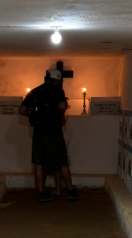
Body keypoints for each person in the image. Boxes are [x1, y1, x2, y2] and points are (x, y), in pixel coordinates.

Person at [19, 69, 79, 202]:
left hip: (38, 132)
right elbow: (63, 106)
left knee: (39, 163)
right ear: (56, 80)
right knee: (62, 161)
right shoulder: (57, 91)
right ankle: (70, 191)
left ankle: (41, 193)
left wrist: (35, 114)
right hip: (54, 132)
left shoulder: (34, 91)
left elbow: (22, 110)